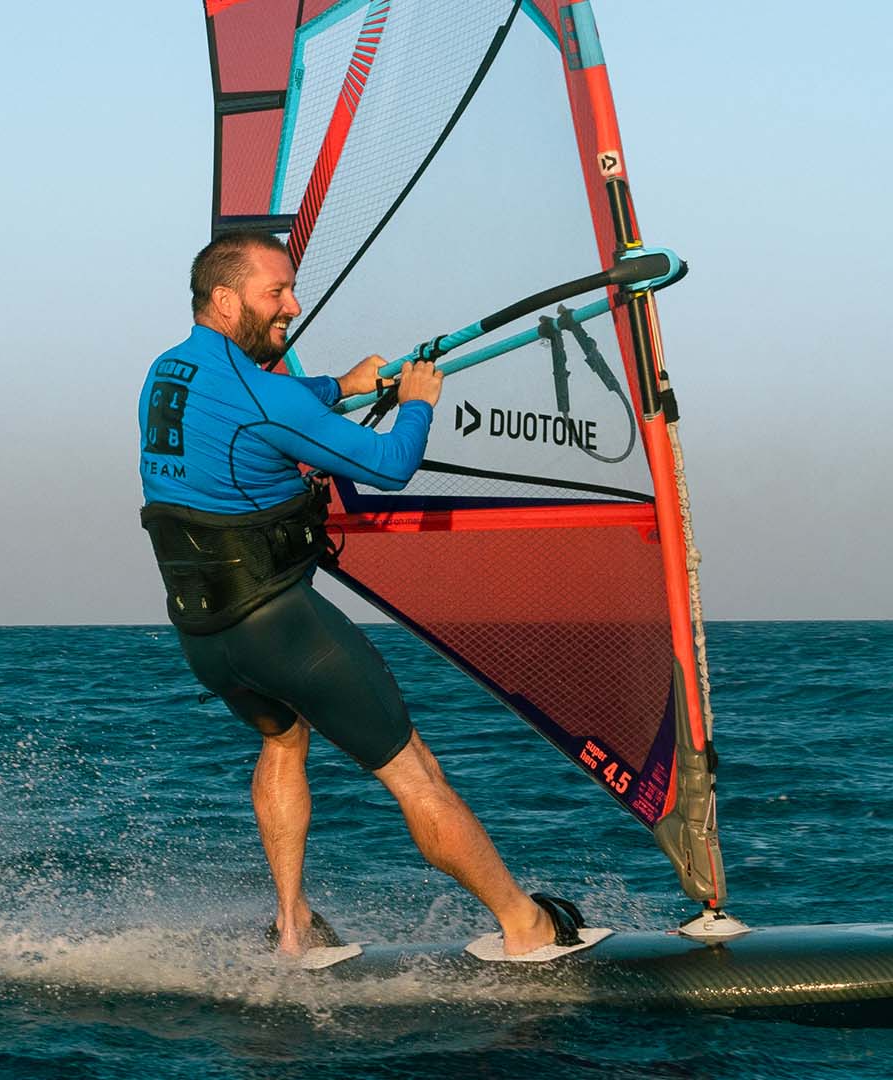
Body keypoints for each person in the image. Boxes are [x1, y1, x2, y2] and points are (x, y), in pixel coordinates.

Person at [137, 230, 581, 959]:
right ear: (225, 299)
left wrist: (341, 386)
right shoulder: (262, 393)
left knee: (283, 739)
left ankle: (292, 927)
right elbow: (390, 465)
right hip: (278, 623)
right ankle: (525, 925)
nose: (292, 304)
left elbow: (270, 403)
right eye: (274, 292)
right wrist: (415, 401)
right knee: (415, 771)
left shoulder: (168, 373)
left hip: (204, 634)